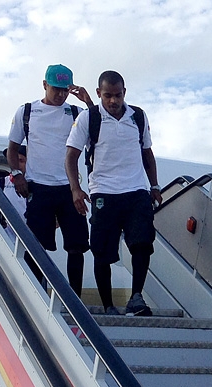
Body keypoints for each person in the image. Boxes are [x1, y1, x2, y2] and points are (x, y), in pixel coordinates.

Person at [65, 70, 162, 316]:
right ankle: (108, 305)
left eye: (118, 95)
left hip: (136, 190)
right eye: (108, 95)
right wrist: (76, 189)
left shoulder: (137, 116)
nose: (113, 101)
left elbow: (147, 153)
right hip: (104, 192)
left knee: (142, 243)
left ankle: (136, 297)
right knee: (102, 251)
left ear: (124, 92)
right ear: (98, 93)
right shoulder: (89, 118)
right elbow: (71, 156)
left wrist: (154, 185)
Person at [8, 64, 94, 298]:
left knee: (77, 245)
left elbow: (99, 132)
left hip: (69, 188)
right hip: (38, 186)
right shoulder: (27, 111)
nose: (61, 94)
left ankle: (75, 299)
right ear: (44, 85)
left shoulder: (77, 113)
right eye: (56, 89)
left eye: (65, 90)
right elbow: (13, 148)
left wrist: (88, 103)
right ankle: (36, 296)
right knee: (36, 245)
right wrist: (17, 174)